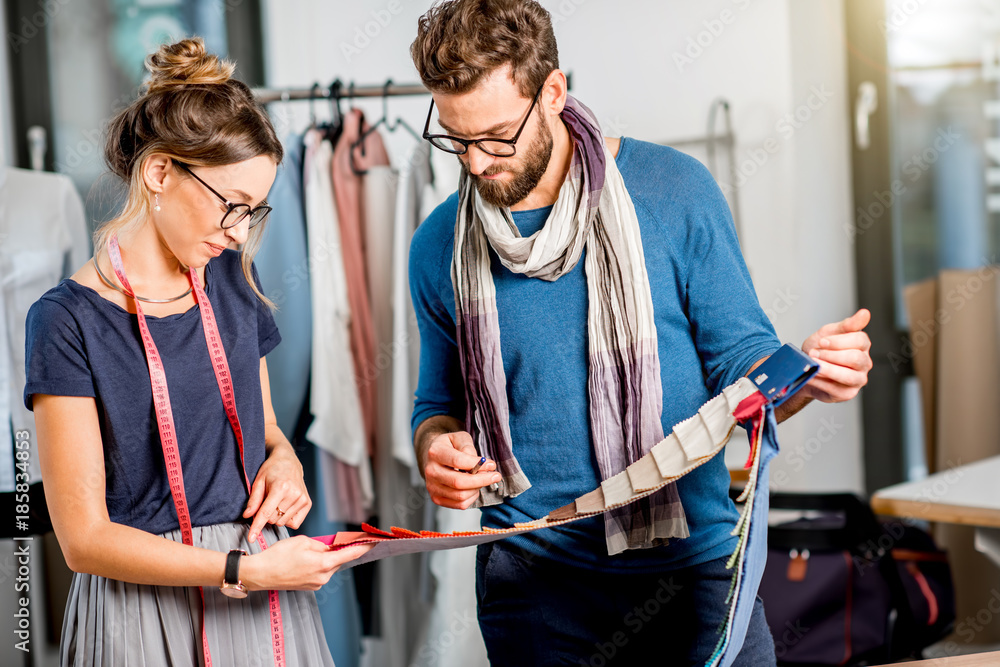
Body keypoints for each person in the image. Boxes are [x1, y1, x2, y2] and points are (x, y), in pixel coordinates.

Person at [406, 1, 873, 664]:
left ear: (554, 91)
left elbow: (745, 365)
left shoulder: (674, 191)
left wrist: (813, 373)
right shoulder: (436, 246)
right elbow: (435, 406)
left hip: (695, 571)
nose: (477, 163)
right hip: (533, 588)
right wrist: (437, 450)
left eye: (498, 136)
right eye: (456, 138)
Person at [24, 38, 371, 666]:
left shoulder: (235, 281)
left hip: (262, 589)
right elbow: (84, 542)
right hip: (140, 608)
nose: (239, 232)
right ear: (160, 172)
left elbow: (264, 430)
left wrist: (285, 467)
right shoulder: (64, 321)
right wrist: (245, 569)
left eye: (253, 212)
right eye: (230, 206)